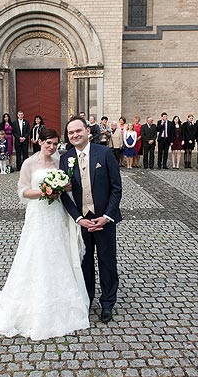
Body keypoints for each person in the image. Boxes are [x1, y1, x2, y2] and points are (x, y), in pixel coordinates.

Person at [0, 128, 89, 340]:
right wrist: (43, 191)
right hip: (38, 213)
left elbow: (68, 185)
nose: (51, 147)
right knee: (36, 253)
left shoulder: (60, 161)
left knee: (58, 252)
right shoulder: (29, 163)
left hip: (57, 213)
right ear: (40, 142)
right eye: (48, 143)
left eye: (54, 143)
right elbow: (22, 191)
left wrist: (64, 187)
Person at [60, 118, 123, 323]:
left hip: (104, 219)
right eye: (71, 133)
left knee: (107, 261)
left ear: (88, 131)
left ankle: (107, 303)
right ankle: (86, 299)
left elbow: (116, 188)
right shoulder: (66, 158)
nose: (75, 135)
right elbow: (62, 194)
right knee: (84, 262)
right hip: (82, 221)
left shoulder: (104, 153)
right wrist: (78, 218)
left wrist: (106, 217)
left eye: (78, 130)